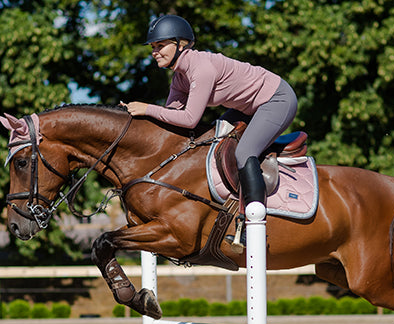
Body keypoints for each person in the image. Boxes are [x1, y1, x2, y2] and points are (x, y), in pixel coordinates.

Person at [122, 14, 297, 208]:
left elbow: (189, 120)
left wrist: (147, 108)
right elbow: (169, 117)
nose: (154, 52)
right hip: (246, 109)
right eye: (153, 47)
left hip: (277, 99)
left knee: (244, 153)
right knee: (211, 140)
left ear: (182, 44)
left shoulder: (201, 68)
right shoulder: (179, 78)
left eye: (160, 46)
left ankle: (255, 217)